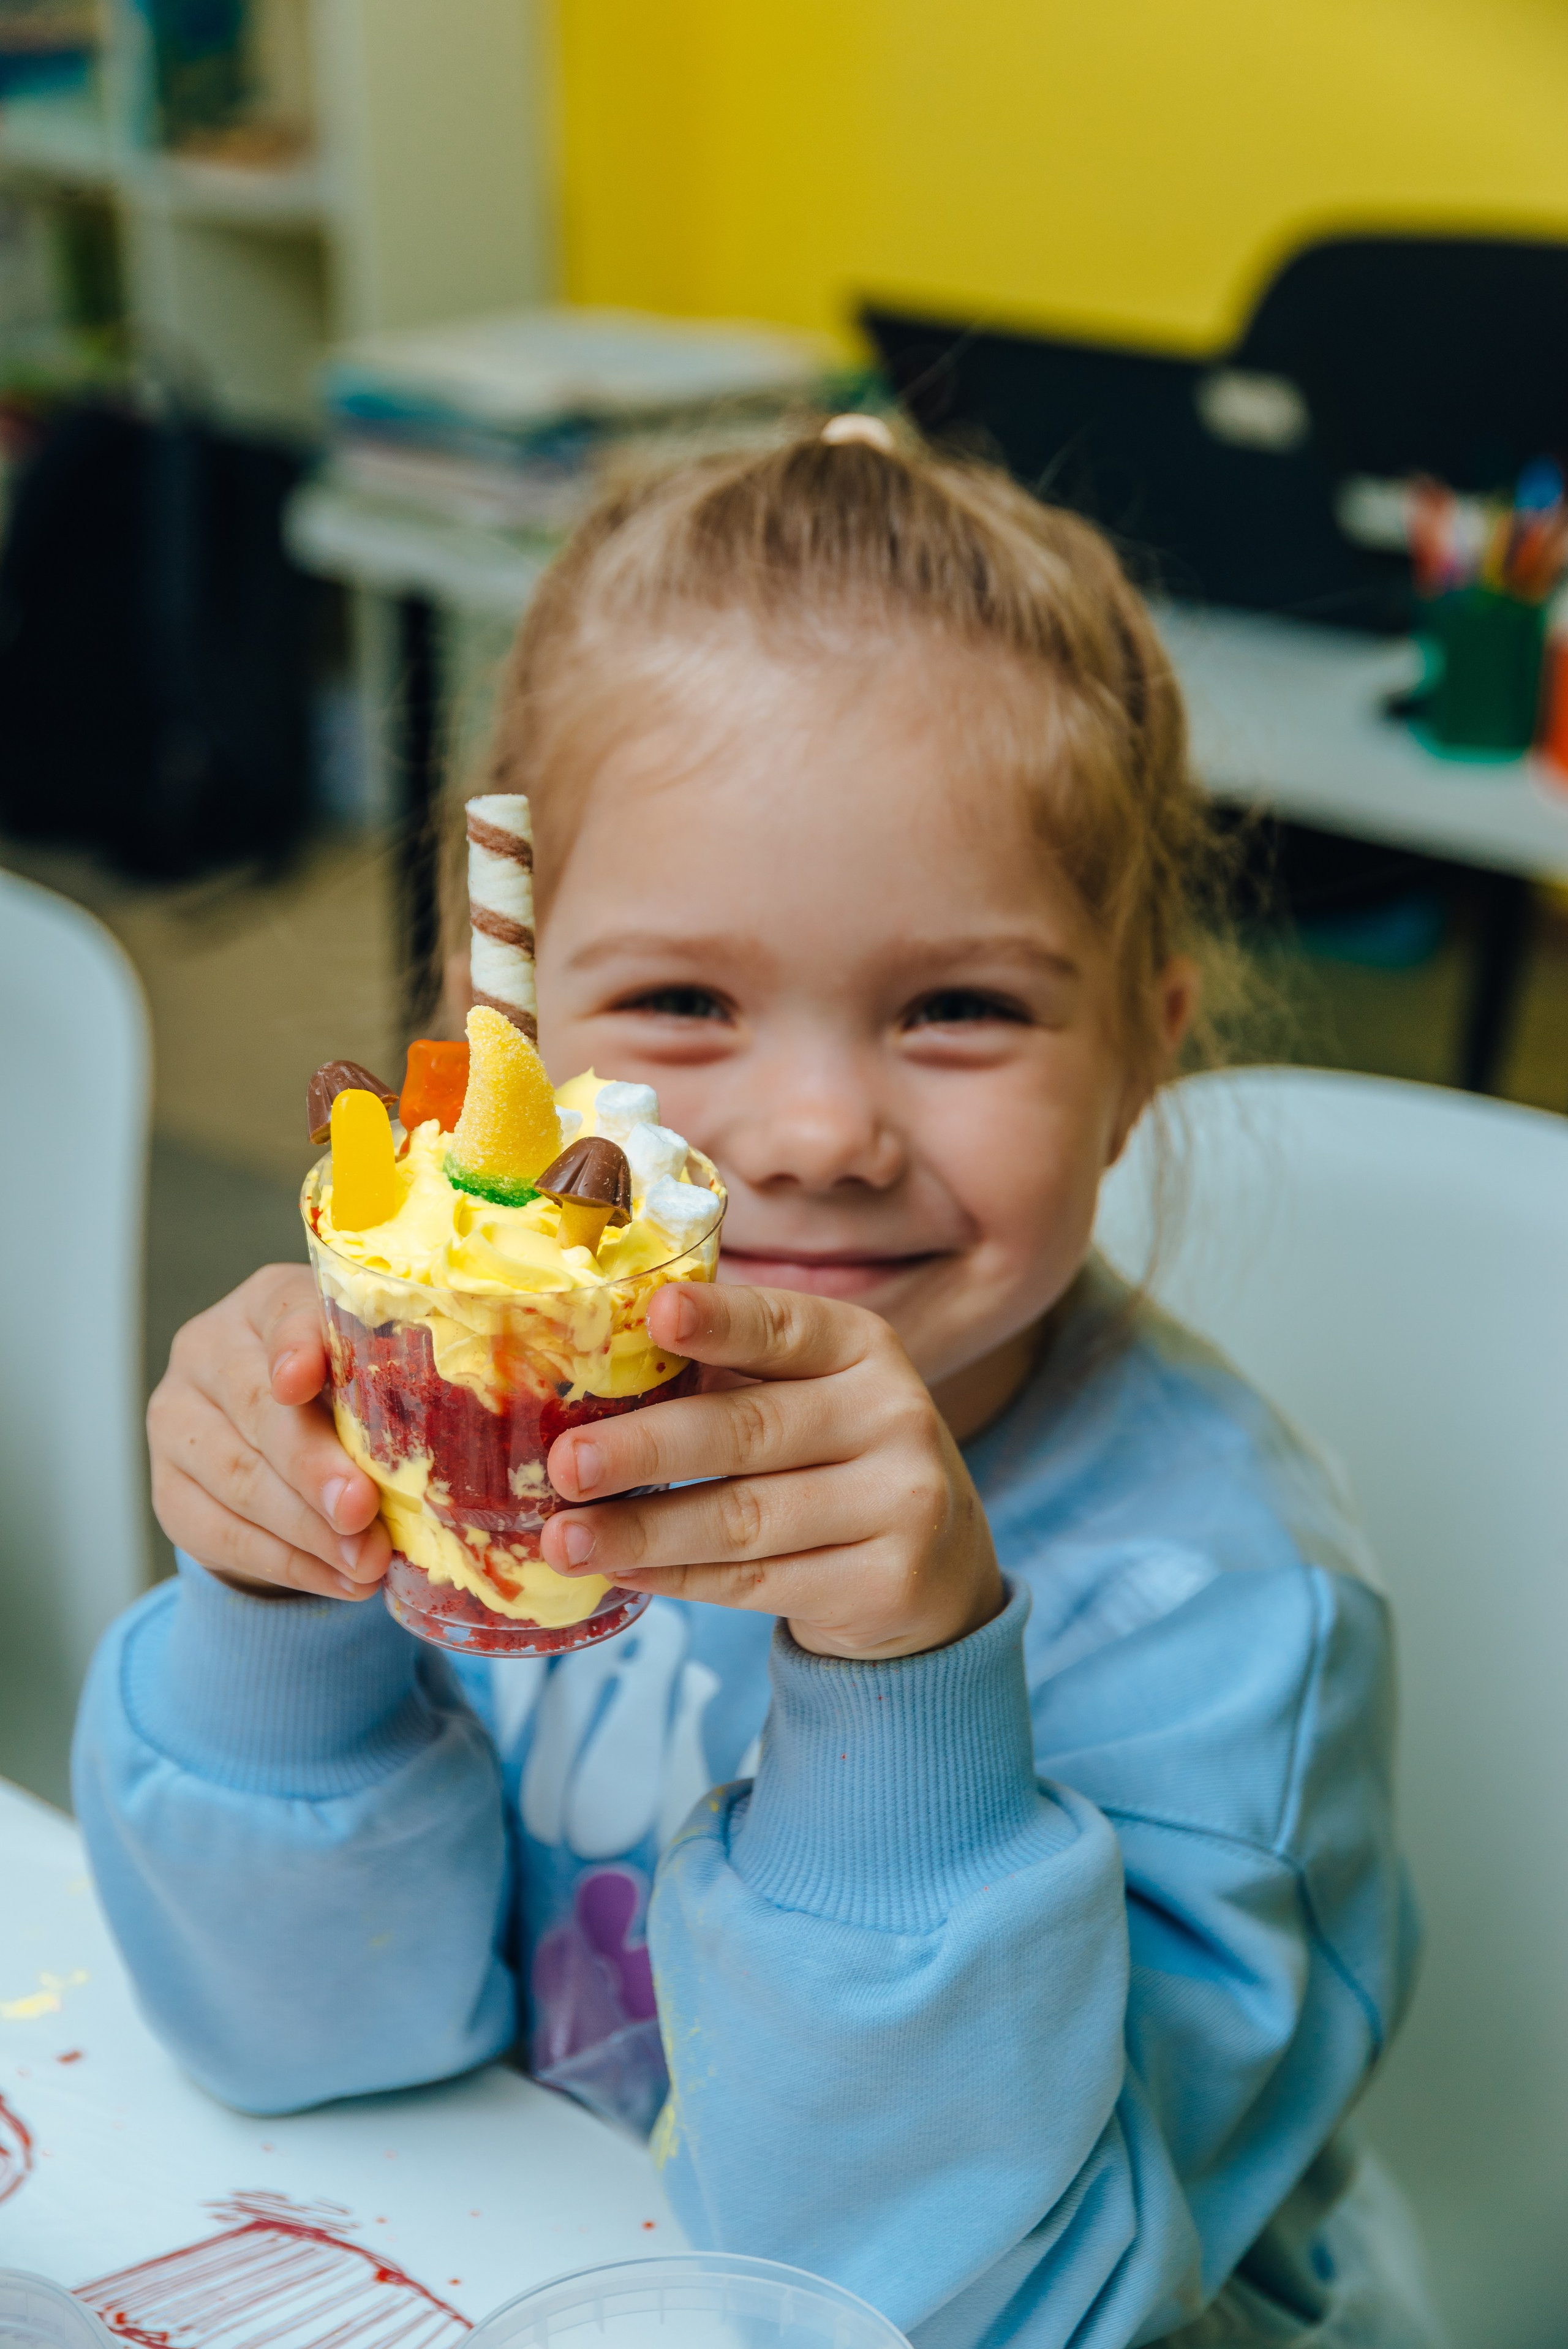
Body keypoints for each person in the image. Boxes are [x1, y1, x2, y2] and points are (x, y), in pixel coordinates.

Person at [74, 420, 1434, 2347]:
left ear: (1144, 1047)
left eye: (959, 1007)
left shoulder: (1224, 1614)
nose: (810, 1131)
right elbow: (303, 2045)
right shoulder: (480, 1451)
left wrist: (904, 1696)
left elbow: (957, 2309)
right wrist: (283, 1607)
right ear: (495, 1060)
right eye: (684, 1003)